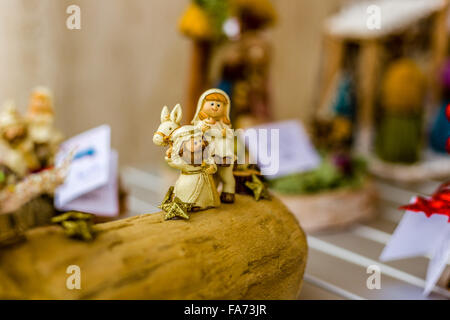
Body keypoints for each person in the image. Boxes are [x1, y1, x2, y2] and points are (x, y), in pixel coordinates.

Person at [192, 89, 236, 203]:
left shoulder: (223, 125)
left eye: (218, 105)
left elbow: (229, 134)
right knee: (209, 176)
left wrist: (222, 133)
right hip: (206, 156)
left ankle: (228, 190)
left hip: (222, 155)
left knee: (226, 175)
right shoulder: (200, 124)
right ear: (202, 105)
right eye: (211, 104)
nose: (215, 107)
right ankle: (209, 193)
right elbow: (197, 135)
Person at [166, 126, 220, 211]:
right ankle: (187, 204)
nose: (199, 144)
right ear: (183, 146)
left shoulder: (204, 155)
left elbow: (210, 161)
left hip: (203, 179)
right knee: (186, 193)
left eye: (199, 141)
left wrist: (212, 167)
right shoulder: (183, 161)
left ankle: (202, 204)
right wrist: (170, 154)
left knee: (203, 195)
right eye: (194, 143)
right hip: (187, 180)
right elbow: (174, 162)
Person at [26, 87, 63, 169]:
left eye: (42, 101)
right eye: (36, 100)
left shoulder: (47, 119)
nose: (39, 104)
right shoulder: (30, 120)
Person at [0, 101, 39, 177]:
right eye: (9, 130)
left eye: (15, 128)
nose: (13, 132)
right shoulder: (12, 155)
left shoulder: (32, 144)